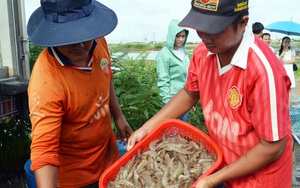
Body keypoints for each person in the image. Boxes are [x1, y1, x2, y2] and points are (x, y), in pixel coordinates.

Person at [128, 0, 292, 187]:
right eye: (200, 28)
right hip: (226, 165)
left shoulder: (264, 72)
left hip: (262, 179)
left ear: (242, 23)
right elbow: (189, 93)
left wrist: (214, 179)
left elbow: (273, 147)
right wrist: (148, 127)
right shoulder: (202, 53)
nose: (205, 38)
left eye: (214, 30)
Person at [27, 0, 133, 187]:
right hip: (75, 178)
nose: (81, 45)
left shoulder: (98, 41)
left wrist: (118, 116)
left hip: (108, 160)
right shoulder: (46, 82)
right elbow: (44, 151)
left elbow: (106, 78)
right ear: (53, 33)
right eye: (70, 38)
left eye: (84, 34)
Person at [156, 19, 190, 121]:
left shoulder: (184, 53)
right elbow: (163, 79)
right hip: (172, 99)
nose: (180, 39)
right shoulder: (164, 55)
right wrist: (167, 103)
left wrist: (190, 98)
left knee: (182, 130)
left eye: (183, 36)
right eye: (178, 36)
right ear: (172, 36)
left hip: (185, 98)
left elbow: (188, 76)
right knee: (172, 133)